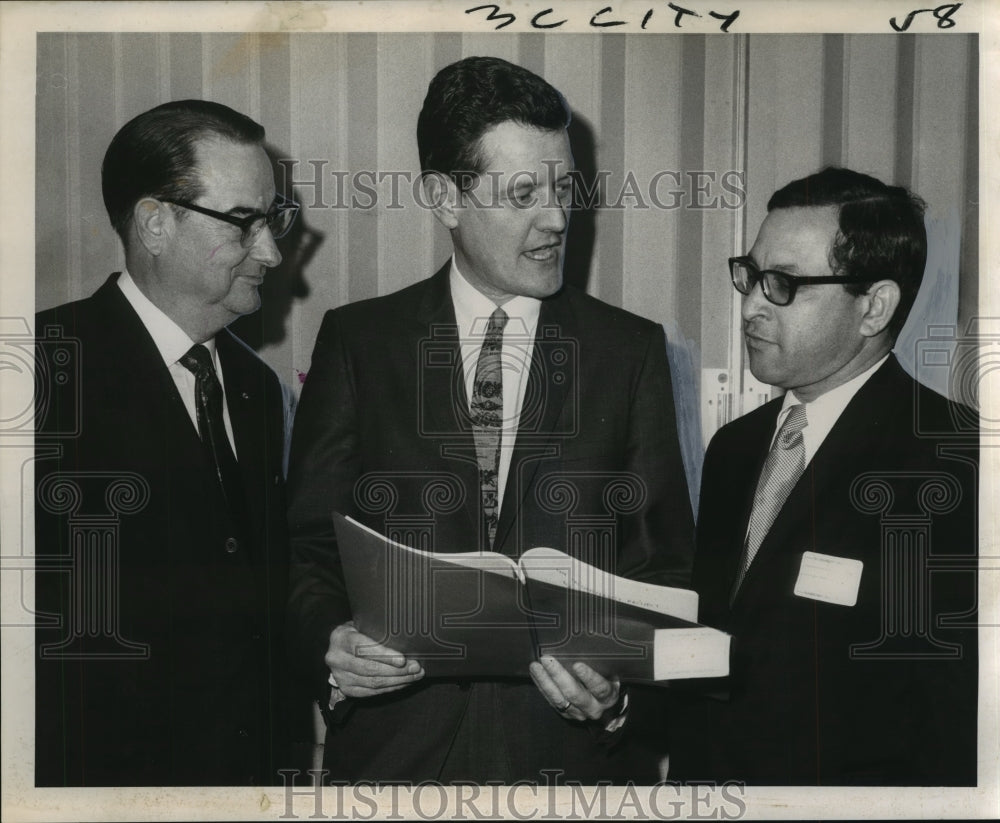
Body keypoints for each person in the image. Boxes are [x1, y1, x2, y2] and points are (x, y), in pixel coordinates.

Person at [286, 56, 693, 784]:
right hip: (393, 763)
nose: (558, 218)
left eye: (564, 187)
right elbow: (308, 546)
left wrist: (622, 691)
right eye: (524, 192)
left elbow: (662, 565)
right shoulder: (359, 342)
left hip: (570, 767)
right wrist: (331, 642)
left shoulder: (629, 350)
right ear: (446, 197)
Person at [669, 167, 978, 785]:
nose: (753, 304)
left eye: (784, 284)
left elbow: (954, 719)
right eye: (752, 276)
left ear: (874, 307)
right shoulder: (734, 448)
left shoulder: (955, 458)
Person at [34, 99, 299, 786]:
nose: (271, 252)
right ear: (156, 222)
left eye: (273, 222)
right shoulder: (41, 371)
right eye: (245, 223)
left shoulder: (257, 388)